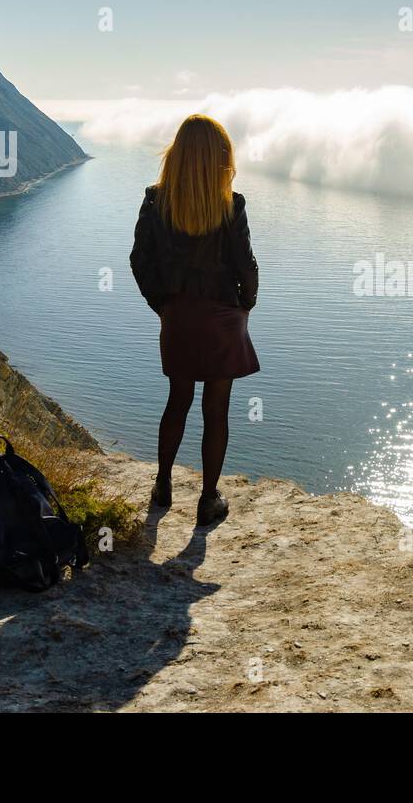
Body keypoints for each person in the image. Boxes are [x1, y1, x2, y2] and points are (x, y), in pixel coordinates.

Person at [129, 114, 259, 526]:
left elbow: (139, 261)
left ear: (177, 154)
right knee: (216, 410)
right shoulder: (230, 204)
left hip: (179, 318)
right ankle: (207, 501)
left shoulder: (155, 200)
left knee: (177, 401)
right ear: (221, 157)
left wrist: (163, 306)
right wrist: (245, 306)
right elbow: (247, 267)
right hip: (223, 320)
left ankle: (163, 485)